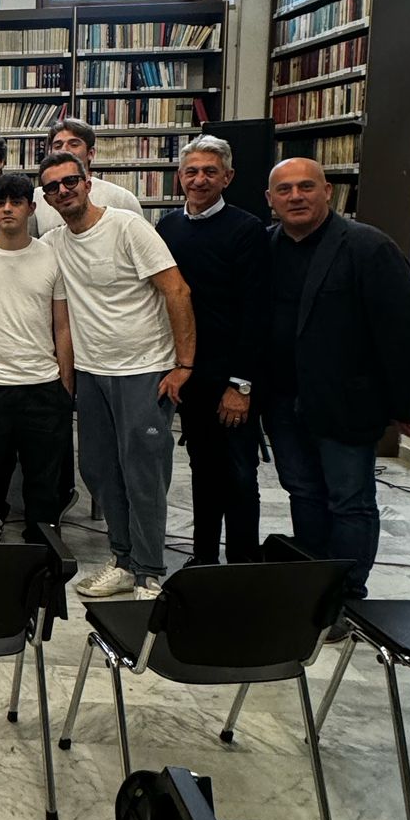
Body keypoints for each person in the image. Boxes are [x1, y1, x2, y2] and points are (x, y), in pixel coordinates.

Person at [263, 156, 410, 598]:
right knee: (302, 492)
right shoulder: (265, 247)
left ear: (327, 192)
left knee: (350, 501)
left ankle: (348, 595)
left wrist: (402, 404)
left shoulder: (368, 248)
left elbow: (408, 333)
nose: (295, 197)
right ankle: (313, 585)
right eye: (284, 190)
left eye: (306, 186)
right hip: (282, 400)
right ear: (270, 199)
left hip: (346, 401)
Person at [37, 150, 195, 600]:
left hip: (142, 370)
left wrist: (184, 364)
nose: (63, 191)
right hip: (91, 373)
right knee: (99, 470)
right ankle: (123, 560)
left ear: (88, 182)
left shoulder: (128, 227)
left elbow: (177, 290)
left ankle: (149, 572)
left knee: (143, 474)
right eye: (52, 187)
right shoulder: (54, 243)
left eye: (70, 181)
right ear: (46, 198)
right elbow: (12, 253)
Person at [157, 139, 269, 565]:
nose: (199, 180)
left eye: (209, 171)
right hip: (191, 375)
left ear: (228, 177)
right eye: (192, 171)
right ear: (180, 177)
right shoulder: (168, 227)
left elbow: (256, 313)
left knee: (239, 475)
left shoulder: (247, 230)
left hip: (231, 379)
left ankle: (242, 566)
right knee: (202, 471)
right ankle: (203, 558)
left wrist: (241, 384)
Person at [0, 172, 74, 544]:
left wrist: (65, 385)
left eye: (16, 202)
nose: (7, 209)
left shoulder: (51, 257)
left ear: (30, 208)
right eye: (0, 203)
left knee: (43, 476)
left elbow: (62, 325)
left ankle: (42, 541)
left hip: (42, 385)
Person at [33, 118, 144, 235]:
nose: (64, 150)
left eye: (74, 144)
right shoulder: (37, 198)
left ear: (90, 153)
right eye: (57, 146)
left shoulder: (121, 198)